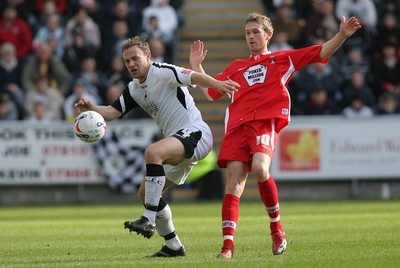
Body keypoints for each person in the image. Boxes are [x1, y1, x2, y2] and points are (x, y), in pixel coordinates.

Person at [189, 12, 361, 258]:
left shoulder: (282, 59)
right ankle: (227, 247)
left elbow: (320, 52)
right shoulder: (236, 66)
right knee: (233, 183)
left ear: (268, 35)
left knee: (260, 168)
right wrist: (197, 67)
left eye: (256, 31)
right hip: (237, 128)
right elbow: (211, 93)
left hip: (263, 123)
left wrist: (342, 35)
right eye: (247, 32)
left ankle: (276, 228)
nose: (251, 36)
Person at [74, 36, 239, 257]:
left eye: (135, 58)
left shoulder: (161, 71)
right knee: (145, 193)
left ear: (148, 57)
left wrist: (217, 83)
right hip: (178, 142)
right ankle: (173, 246)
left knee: (153, 152)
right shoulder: (133, 89)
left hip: (196, 132)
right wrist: (91, 107)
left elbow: (193, 76)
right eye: (127, 61)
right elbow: (112, 113)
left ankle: (148, 219)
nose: (131, 64)